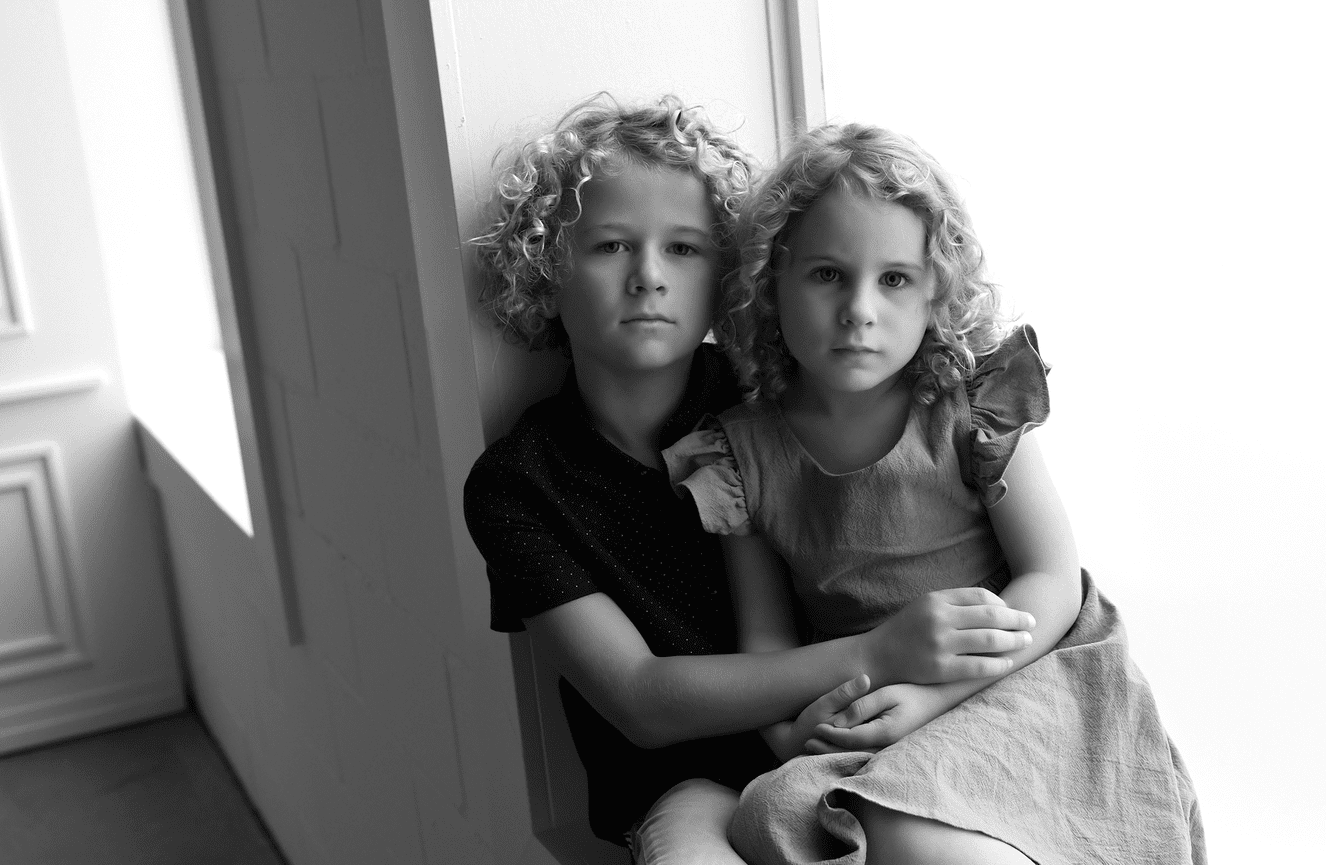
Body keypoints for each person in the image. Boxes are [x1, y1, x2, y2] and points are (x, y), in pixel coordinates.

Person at [463, 97, 1038, 864]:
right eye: (609, 247)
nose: (648, 278)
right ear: (545, 266)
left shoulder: (780, 387)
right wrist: (886, 649)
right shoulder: (520, 482)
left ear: (735, 272)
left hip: (853, 726)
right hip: (689, 775)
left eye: (685, 249)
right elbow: (639, 700)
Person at [664, 124, 1206, 865]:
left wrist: (934, 697)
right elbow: (766, 642)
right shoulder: (739, 454)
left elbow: (1051, 578)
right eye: (827, 274)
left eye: (894, 279)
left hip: (1022, 674)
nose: (859, 308)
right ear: (772, 280)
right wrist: (787, 735)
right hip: (876, 699)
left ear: (934, 294)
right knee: (771, 810)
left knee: (919, 838)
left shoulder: (968, 406)